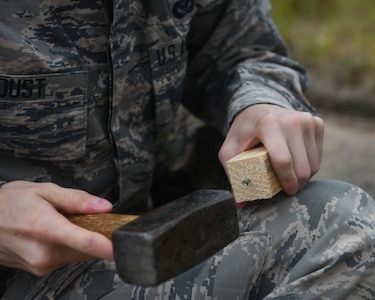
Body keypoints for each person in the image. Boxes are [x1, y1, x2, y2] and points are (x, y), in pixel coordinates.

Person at [0, 0, 374, 298]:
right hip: (23, 276)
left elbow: (243, 48)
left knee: (343, 225)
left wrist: (261, 103)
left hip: (138, 243)